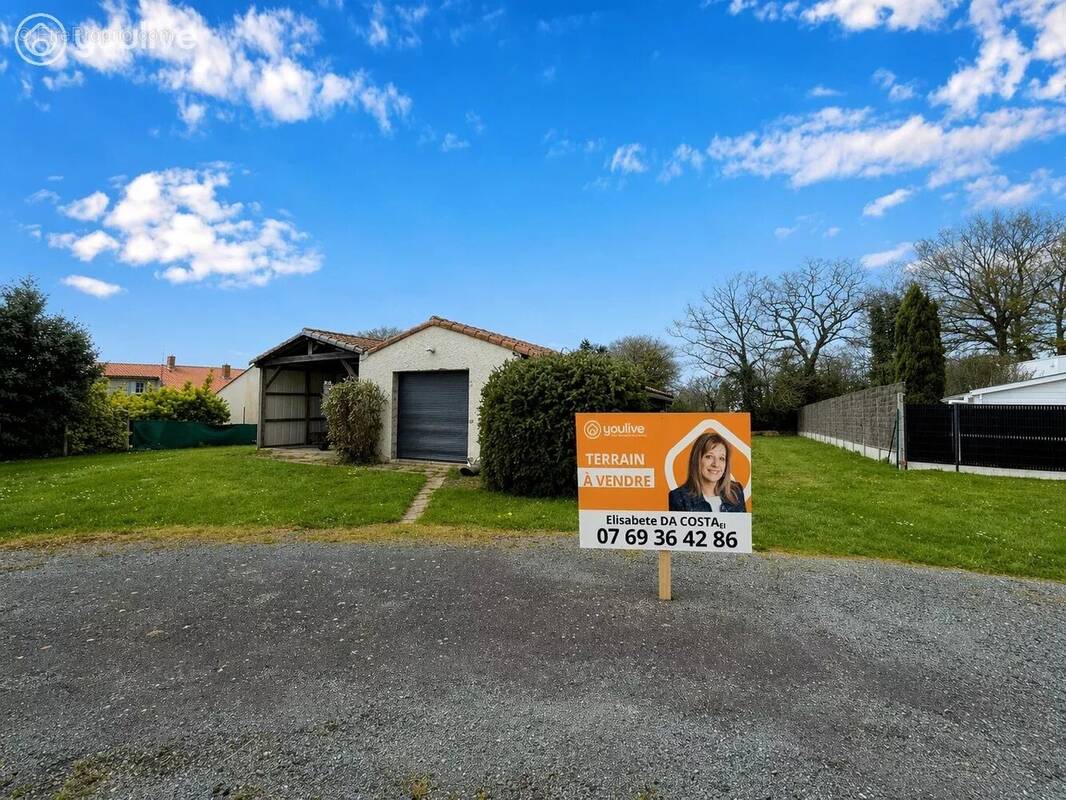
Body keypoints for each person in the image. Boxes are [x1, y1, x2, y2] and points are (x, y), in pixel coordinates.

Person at [668, 431, 746, 512]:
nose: (716, 464)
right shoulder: (679, 497)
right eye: (709, 457)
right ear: (697, 460)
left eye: (721, 458)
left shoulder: (736, 491)